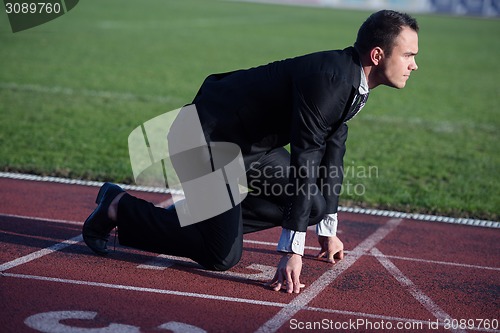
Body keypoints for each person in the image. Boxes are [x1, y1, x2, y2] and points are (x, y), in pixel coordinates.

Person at [82, 9, 419, 294]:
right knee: (221, 256)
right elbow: (306, 159)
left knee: (312, 205)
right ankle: (117, 207)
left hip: (251, 148)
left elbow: (333, 152)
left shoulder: (351, 80)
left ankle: (211, 222)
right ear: (377, 55)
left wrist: (327, 229)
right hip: (205, 140)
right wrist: (292, 250)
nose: (414, 65)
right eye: (408, 55)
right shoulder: (331, 79)